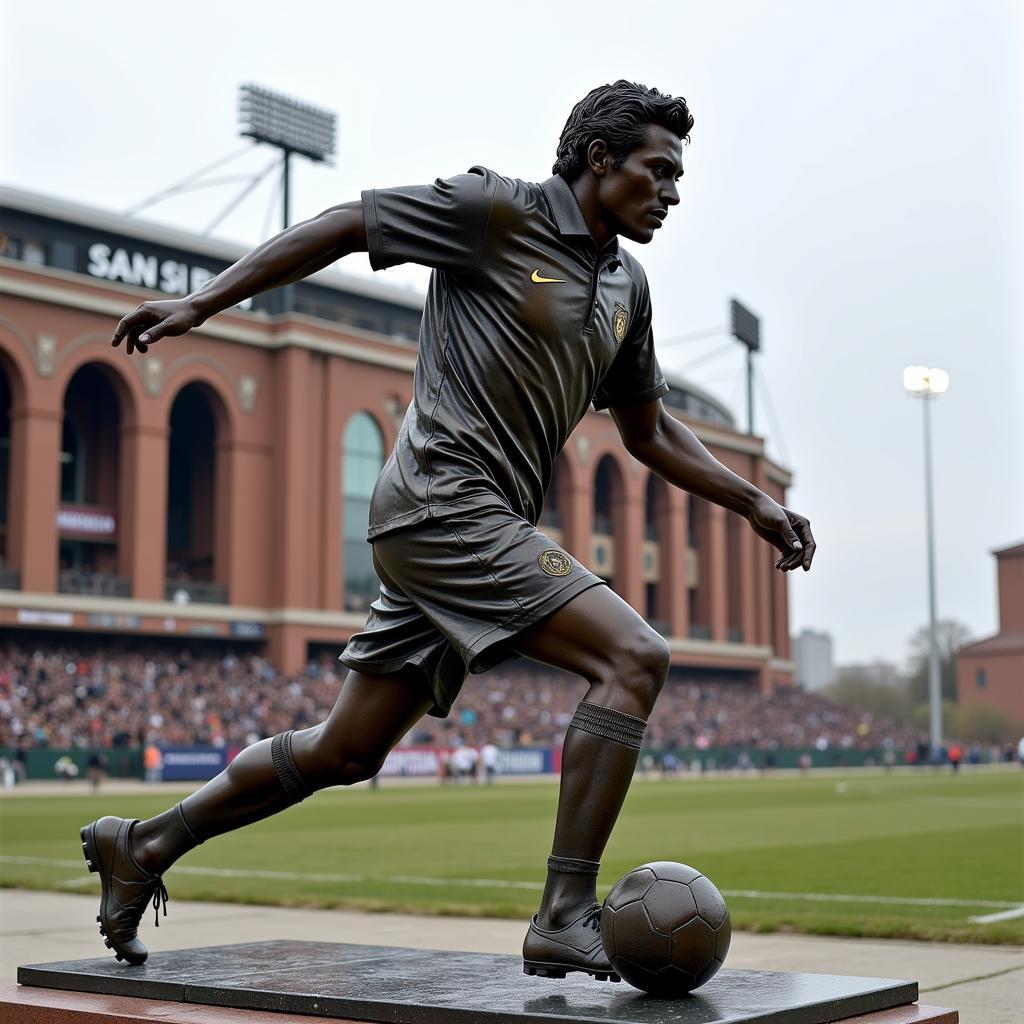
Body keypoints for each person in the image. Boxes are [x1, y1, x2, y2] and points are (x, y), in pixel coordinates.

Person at [83, 80, 815, 977]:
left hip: (480, 523)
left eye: (678, 178)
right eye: (658, 171)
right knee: (635, 656)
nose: (671, 192)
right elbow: (347, 223)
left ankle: (143, 846)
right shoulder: (494, 212)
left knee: (344, 750)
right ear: (599, 159)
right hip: (439, 501)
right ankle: (564, 911)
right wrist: (203, 304)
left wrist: (755, 503)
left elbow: (649, 429)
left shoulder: (628, 283)